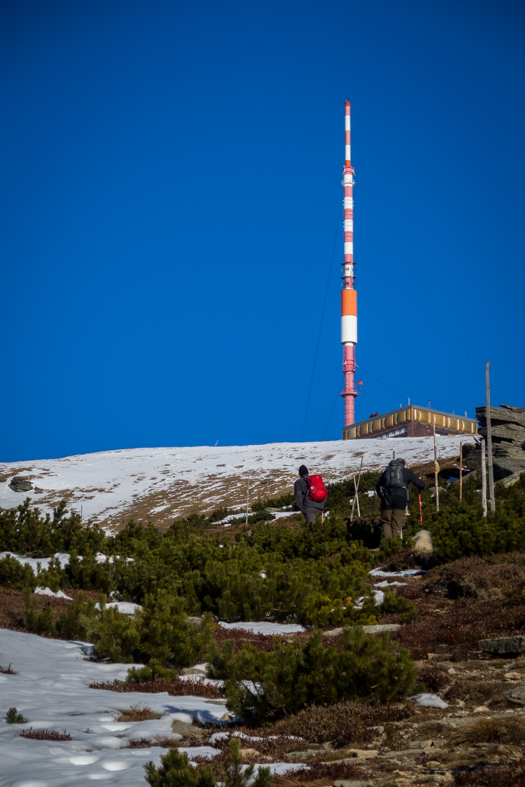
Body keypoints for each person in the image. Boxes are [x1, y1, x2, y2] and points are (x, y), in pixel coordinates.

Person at [376, 458, 425, 539]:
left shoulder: (387, 472)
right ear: (404, 465)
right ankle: (396, 544)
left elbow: (378, 486)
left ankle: (388, 543)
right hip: (401, 499)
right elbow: (420, 485)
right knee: (397, 522)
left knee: (386, 522)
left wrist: (382, 497)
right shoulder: (406, 471)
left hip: (387, 499)